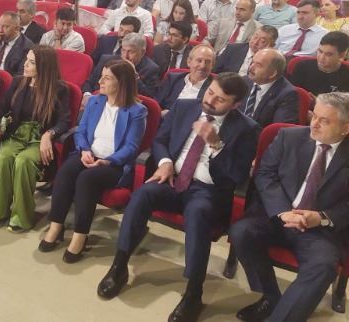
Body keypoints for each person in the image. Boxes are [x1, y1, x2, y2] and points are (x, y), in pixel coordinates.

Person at [97, 72, 258, 322]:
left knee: (198, 212)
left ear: (235, 104)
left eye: (221, 99)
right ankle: (119, 266)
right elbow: (160, 140)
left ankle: (194, 292)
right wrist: (165, 162)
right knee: (142, 194)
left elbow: (237, 174)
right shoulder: (185, 107)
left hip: (208, 190)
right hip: (173, 179)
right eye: (210, 92)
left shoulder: (247, 128)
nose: (211, 100)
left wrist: (216, 144)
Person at [228, 92, 349, 322]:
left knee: (323, 266)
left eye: (325, 120)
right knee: (241, 232)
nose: (314, 123)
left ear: (345, 128)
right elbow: (265, 174)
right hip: (277, 216)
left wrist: (321, 217)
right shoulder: (288, 137)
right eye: (314, 116)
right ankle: (271, 296)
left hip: (319, 229)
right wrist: (282, 211)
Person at [40, 59, 145, 257]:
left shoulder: (137, 111)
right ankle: (56, 226)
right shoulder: (95, 101)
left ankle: (80, 235)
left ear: (121, 82)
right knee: (66, 172)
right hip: (88, 154)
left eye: (107, 78)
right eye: (101, 76)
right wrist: (84, 150)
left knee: (86, 179)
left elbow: (131, 148)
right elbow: (81, 131)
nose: (100, 82)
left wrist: (107, 160)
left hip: (113, 164)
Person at [0, 45, 71, 231]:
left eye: (31, 62)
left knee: (23, 161)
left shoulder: (59, 89)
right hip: (16, 133)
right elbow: (1, 105)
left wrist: (49, 134)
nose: (25, 64)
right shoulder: (19, 82)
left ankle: (22, 216)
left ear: (44, 66)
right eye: (27, 59)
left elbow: (64, 121)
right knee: (3, 158)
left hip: (39, 136)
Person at [83, 32, 160, 97]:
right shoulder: (106, 60)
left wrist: (134, 75)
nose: (125, 56)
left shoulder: (151, 69)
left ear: (142, 52)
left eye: (131, 52)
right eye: (123, 50)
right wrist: (87, 95)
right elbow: (89, 82)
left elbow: (149, 96)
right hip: (98, 99)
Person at [242, 48, 300, 128]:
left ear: (272, 74)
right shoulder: (244, 81)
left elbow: (277, 130)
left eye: (258, 65)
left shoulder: (287, 95)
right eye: (252, 62)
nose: (251, 67)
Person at [155, 44, 216, 112]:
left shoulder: (214, 89)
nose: (202, 66)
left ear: (212, 66)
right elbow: (156, 103)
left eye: (207, 62)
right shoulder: (172, 79)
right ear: (189, 62)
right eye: (199, 60)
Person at [290, 31, 349, 97]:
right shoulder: (302, 67)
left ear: (342, 55)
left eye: (328, 54)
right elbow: (291, 95)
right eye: (320, 51)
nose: (321, 57)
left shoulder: (346, 75)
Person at [0, 11, 33, 76]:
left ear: (16, 29)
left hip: (4, 79)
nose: (0, 30)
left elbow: (20, 74)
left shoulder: (27, 47)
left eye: (6, 26)